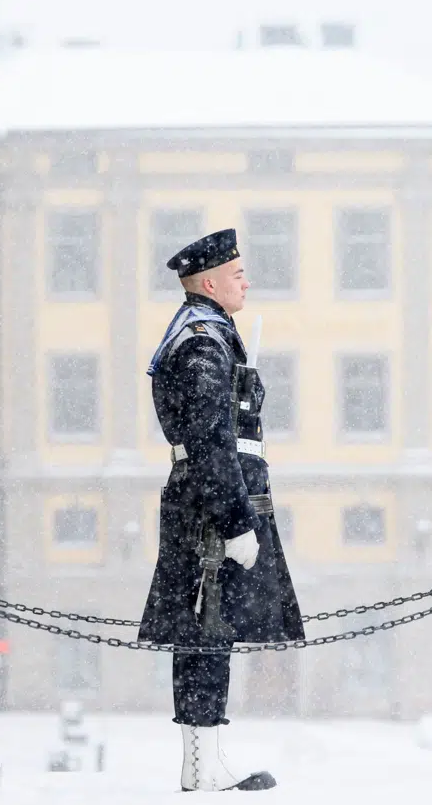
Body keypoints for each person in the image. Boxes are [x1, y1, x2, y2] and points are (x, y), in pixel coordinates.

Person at [138, 228, 304, 792]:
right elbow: (212, 440)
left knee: (206, 632)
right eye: (237, 274)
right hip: (211, 510)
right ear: (209, 282)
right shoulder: (204, 343)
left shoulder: (201, 332)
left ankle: (202, 765)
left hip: (206, 501)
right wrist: (237, 522)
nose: (246, 281)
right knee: (208, 631)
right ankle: (203, 769)